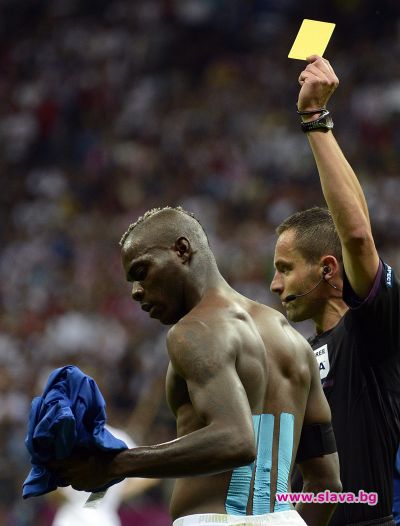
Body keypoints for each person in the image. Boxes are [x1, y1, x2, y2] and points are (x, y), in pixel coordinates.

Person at [52, 205, 341, 526]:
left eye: (142, 271)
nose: (135, 292)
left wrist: (117, 464)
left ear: (181, 249)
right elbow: (327, 483)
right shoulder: (295, 343)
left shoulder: (195, 329)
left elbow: (236, 440)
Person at [270, 56, 400, 526]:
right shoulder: (302, 355)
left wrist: (315, 120)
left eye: (285, 269)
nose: (275, 284)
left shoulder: (372, 331)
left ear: (328, 269)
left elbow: (358, 236)